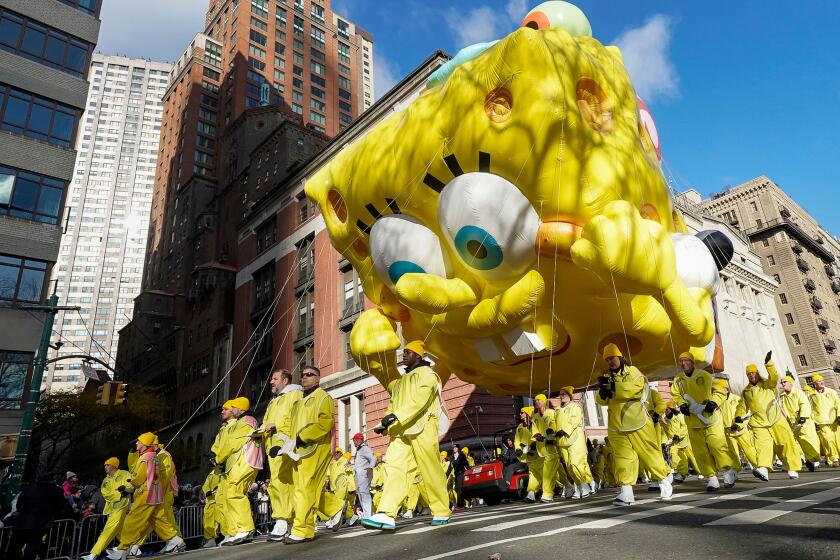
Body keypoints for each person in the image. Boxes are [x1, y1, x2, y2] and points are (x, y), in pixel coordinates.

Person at [362, 340, 452, 530]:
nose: (404, 355)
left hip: (423, 428)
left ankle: (441, 510)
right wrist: (385, 423)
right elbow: (393, 405)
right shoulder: (400, 382)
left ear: (419, 356)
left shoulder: (429, 375)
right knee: (394, 468)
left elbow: (420, 401)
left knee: (430, 470)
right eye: (404, 352)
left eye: (408, 352)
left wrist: (394, 417)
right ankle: (387, 513)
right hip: (401, 431)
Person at [596, 343, 672, 506]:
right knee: (622, 457)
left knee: (649, 453)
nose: (610, 362)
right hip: (616, 423)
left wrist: (614, 387)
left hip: (637, 420)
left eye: (612, 358)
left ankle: (664, 481)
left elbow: (635, 388)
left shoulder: (633, 371)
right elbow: (601, 400)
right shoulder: (607, 376)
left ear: (620, 357)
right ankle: (626, 492)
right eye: (607, 359)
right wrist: (603, 392)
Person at [107, 433, 184, 560]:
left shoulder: (147, 457)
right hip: (156, 492)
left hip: (147, 493)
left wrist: (131, 482)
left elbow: (138, 478)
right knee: (157, 519)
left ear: (144, 443)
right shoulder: (154, 456)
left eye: (138, 441)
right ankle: (174, 540)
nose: (136, 443)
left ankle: (123, 549)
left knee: (132, 520)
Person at [285, 365, 340, 544]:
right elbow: (291, 427)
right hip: (298, 451)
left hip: (315, 448)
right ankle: (309, 526)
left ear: (318, 378)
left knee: (304, 488)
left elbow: (325, 422)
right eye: (303, 375)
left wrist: (303, 437)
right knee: (304, 489)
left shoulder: (323, 397)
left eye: (310, 375)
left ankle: (301, 529)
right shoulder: (298, 402)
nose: (305, 377)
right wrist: (285, 445)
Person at [670, 351, 738, 491]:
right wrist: (682, 404)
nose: (683, 363)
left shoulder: (705, 375)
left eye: (686, 360)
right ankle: (711, 478)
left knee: (717, 446)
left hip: (710, 419)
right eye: (681, 361)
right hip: (693, 422)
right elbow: (676, 395)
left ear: (692, 362)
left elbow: (720, 391)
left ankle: (728, 471)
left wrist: (714, 402)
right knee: (700, 452)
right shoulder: (678, 380)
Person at [733, 353, 801, 480]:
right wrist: (738, 417)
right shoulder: (746, 391)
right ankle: (763, 469)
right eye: (748, 374)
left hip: (776, 419)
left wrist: (769, 364)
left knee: (785, 443)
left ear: (757, 373)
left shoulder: (767, 384)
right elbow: (741, 406)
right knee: (762, 446)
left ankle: (792, 468)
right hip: (759, 423)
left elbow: (774, 377)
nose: (751, 375)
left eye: (753, 372)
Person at [213, 396, 263, 546]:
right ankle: (239, 531)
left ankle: (244, 529)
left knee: (234, 492)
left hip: (244, 461)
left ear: (240, 408)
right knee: (232, 494)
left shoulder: (245, 421)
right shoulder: (243, 421)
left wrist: (218, 459)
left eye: (232, 407)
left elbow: (232, 443)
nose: (229, 409)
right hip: (238, 462)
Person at [259, 368, 303, 540]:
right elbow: (266, 423)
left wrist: (276, 427)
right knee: (281, 483)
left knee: (282, 483)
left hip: (285, 445)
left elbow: (295, 417)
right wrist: (260, 433)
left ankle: (282, 521)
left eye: (275, 378)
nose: (271, 381)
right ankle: (287, 520)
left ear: (285, 381)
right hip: (273, 447)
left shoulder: (294, 395)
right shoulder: (273, 401)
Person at [7, 472, 66, 560]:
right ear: (51, 480)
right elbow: (61, 506)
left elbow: (19, 505)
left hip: (22, 522)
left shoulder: (28, 489)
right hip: (41, 523)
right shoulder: (56, 490)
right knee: (32, 547)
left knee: (16, 546)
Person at [82, 459, 132, 560]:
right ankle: (131, 548)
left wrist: (126, 490)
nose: (105, 467)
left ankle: (93, 554)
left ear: (114, 466)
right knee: (119, 531)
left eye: (108, 465)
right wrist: (121, 493)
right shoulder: (105, 480)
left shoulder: (125, 474)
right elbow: (106, 494)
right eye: (105, 465)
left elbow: (131, 486)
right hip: (110, 509)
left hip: (121, 506)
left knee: (107, 531)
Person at [554, 386, 594, 499]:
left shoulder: (575, 407)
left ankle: (585, 484)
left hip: (575, 439)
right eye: (560, 394)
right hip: (562, 441)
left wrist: (564, 430)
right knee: (569, 466)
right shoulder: (558, 410)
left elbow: (574, 420)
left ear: (570, 396)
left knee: (575, 463)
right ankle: (580, 486)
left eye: (564, 394)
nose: (561, 396)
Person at [779, 375, 821, 471]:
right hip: (792, 424)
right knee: (794, 442)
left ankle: (811, 459)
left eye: (784, 382)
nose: (783, 384)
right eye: (782, 382)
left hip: (804, 422)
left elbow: (804, 404)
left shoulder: (799, 393)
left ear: (791, 383)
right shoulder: (782, 396)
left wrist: (803, 417)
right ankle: (800, 460)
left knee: (807, 440)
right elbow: (782, 410)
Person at [809, 374, 839, 466]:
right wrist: (813, 421)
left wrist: (839, 415)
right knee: (828, 439)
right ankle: (834, 458)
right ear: (814, 383)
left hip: (834, 420)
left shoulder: (831, 392)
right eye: (819, 381)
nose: (821, 382)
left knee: (837, 439)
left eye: (822, 380)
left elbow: (838, 403)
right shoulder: (811, 395)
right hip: (821, 421)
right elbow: (810, 408)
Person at [662, 401, 690, 482]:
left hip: (684, 441)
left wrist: (678, 435)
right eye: (665, 409)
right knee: (674, 455)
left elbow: (684, 426)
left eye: (667, 409)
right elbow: (664, 433)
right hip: (674, 443)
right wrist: (663, 442)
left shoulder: (680, 416)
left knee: (692, 457)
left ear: (671, 409)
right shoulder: (665, 420)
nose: (665, 411)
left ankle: (702, 471)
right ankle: (680, 473)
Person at [352, 433, 376, 520]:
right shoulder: (360, 450)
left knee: (364, 494)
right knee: (362, 494)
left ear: (358, 441)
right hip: (360, 474)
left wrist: (370, 467)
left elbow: (373, 458)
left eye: (354, 441)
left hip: (364, 474)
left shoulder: (364, 448)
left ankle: (368, 515)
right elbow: (359, 462)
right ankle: (367, 514)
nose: (354, 443)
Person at [200, 469, 221, 548]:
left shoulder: (223, 470)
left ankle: (230, 535)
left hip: (219, 501)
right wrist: (208, 492)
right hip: (211, 501)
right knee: (209, 522)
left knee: (224, 519)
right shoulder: (212, 473)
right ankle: (211, 540)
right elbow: (205, 485)